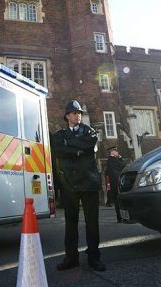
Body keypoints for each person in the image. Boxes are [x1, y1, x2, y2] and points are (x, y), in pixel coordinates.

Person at [51, 100, 106, 272]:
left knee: (92, 223)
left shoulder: (89, 132)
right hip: (69, 185)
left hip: (88, 182)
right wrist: (76, 149)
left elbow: (89, 144)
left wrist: (70, 146)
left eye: (80, 113)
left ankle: (94, 257)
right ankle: (71, 257)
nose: (78, 116)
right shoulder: (60, 134)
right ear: (67, 116)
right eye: (75, 113)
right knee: (70, 222)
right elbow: (57, 149)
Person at [105, 147, 126, 222]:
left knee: (119, 202)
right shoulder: (111, 160)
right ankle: (120, 218)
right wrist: (120, 158)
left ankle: (121, 217)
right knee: (118, 202)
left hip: (117, 183)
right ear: (112, 152)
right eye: (116, 151)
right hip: (116, 183)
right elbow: (123, 166)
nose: (118, 152)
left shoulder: (114, 160)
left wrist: (120, 158)